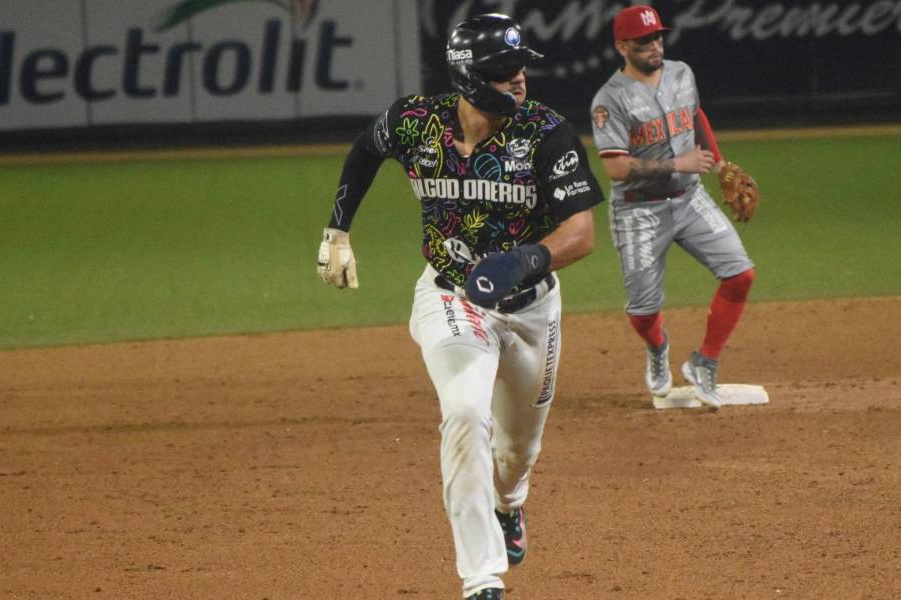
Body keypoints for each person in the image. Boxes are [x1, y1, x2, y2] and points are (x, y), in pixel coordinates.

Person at [315, 13, 603, 600]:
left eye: (522, 67)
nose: (519, 79)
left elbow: (581, 232)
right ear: (470, 77)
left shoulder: (545, 131)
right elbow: (365, 149)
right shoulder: (416, 122)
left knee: (517, 452)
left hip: (532, 310)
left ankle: (509, 504)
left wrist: (525, 260)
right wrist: (337, 230)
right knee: (467, 413)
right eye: (505, 70)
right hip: (451, 296)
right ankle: (482, 577)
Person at [590, 5, 756, 410]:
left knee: (740, 274)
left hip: (689, 198)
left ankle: (704, 362)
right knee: (643, 314)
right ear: (622, 46)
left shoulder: (682, 73)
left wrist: (720, 164)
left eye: (658, 37)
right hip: (638, 211)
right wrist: (679, 163)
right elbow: (616, 168)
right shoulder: (609, 100)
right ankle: (658, 347)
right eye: (643, 41)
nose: (654, 46)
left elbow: (695, 116)